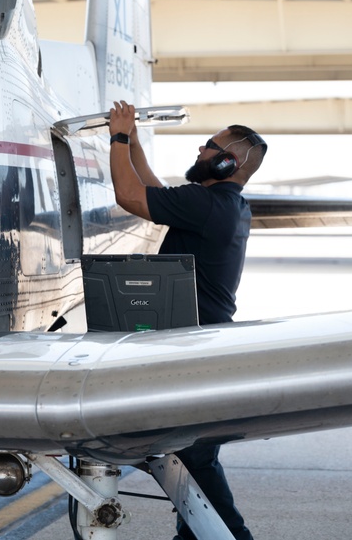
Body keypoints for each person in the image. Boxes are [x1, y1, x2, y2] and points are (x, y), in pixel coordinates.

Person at [108, 100, 267, 540]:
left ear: (225, 160)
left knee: (195, 457)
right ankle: (196, 533)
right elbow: (157, 190)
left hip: (195, 346)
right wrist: (136, 144)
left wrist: (118, 137)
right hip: (208, 343)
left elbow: (130, 196)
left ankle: (229, 535)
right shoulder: (225, 205)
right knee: (191, 454)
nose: (200, 149)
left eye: (209, 146)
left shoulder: (207, 204)